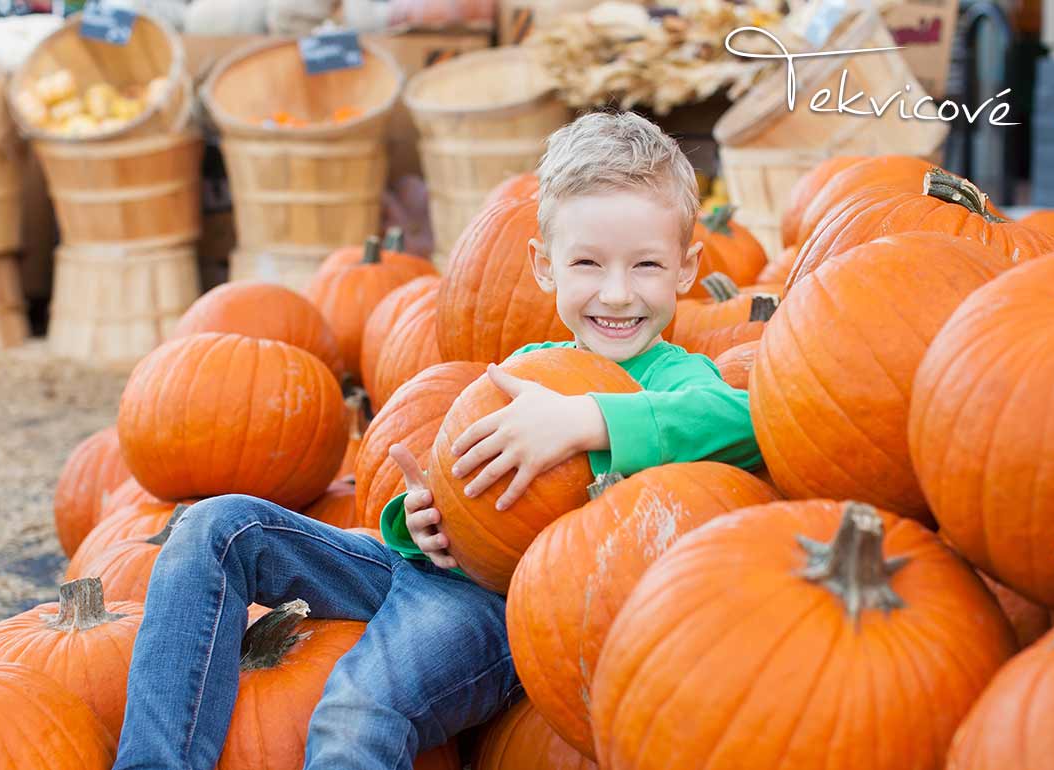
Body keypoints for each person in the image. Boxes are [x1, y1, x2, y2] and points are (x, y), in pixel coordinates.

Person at [113, 110, 762, 770]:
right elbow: (462, 488)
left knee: (355, 711)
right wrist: (419, 519)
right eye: (588, 263)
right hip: (425, 568)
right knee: (219, 528)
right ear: (544, 266)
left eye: (646, 265)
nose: (617, 294)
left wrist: (588, 421)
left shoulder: (678, 378)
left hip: (503, 608)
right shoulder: (524, 367)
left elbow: (743, 419)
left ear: (686, 269)